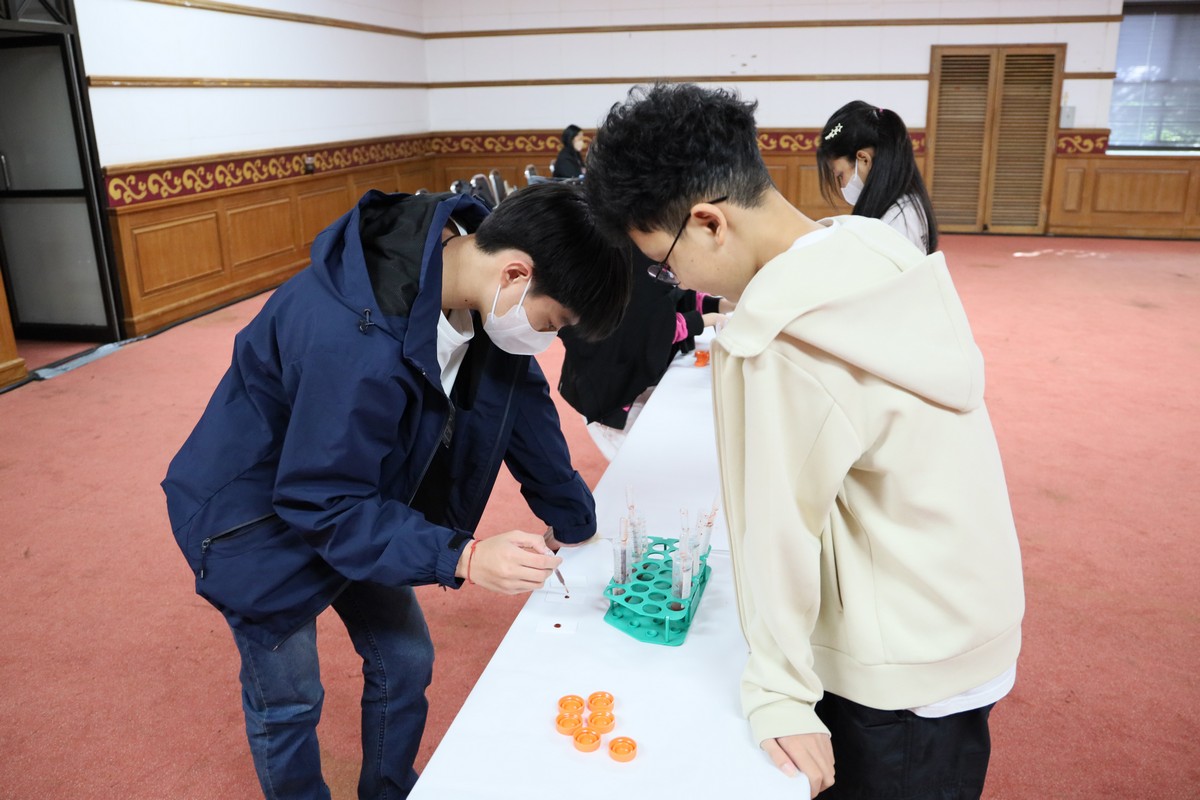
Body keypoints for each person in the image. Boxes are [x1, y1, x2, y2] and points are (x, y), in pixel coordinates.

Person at [584, 83, 1024, 800]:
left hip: (897, 667)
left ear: (708, 223)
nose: (674, 281)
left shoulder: (777, 340)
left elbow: (777, 529)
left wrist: (780, 694)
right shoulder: (871, 246)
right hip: (967, 613)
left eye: (663, 262)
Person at [161, 181, 630, 800]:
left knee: (405, 659)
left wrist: (574, 520)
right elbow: (320, 499)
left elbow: (522, 412)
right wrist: (462, 556)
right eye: (551, 323)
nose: (544, 339)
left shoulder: (479, 289)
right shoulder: (350, 336)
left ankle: (388, 789)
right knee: (290, 699)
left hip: (358, 499)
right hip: (254, 521)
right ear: (516, 273)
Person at [558, 247, 731, 460]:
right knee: (638, 460)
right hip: (611, 393)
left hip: (637, 380)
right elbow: (652, 330)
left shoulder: (662, 260)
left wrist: (722, 305)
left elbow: (679, 298)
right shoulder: (633, 270)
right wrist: (705, 320)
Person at [816, 100, 939, 254]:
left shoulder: (895, 223)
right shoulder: (905, 204)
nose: (842, 186)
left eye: (840, 175)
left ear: (864, 160)